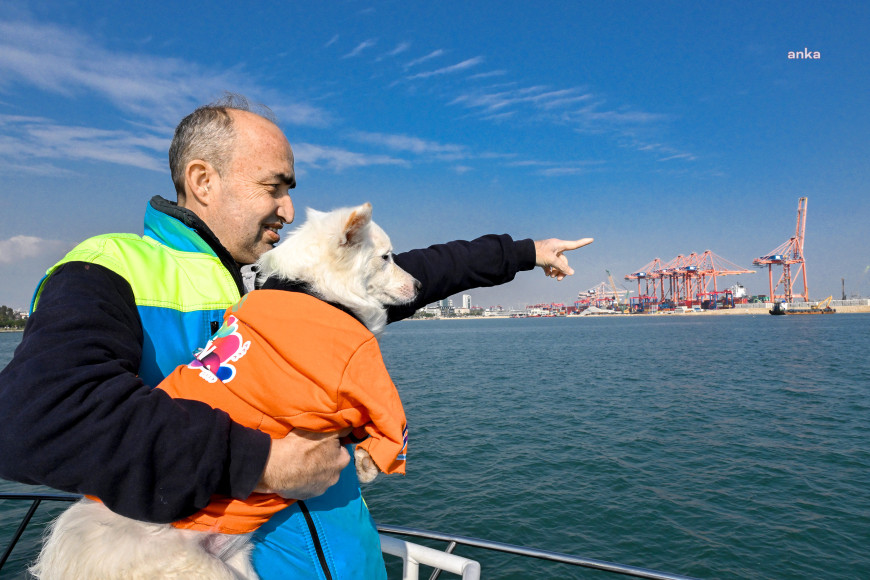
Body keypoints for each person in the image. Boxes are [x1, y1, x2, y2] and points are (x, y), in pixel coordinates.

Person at [0, 93, 592, 578]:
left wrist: (526, 253)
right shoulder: (111, 265)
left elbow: (412, 273)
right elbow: (36, 418)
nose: (288, 210)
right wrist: (261, 461)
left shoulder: (278, 287)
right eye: (274, 187)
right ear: (202, 180)